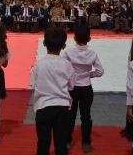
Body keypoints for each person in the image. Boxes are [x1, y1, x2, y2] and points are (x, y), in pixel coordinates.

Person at [32, 26, 75, 155]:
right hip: (62, 107)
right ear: (64, 46)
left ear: (44, 43)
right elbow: (71, 86)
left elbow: (31, 85)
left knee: (43, 144)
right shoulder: (67, 64)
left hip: (43, 106)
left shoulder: (39, 64)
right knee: (61, 145)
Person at [62, 25, 104, 153]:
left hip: (72, 87)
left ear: (74, 38)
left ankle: (68, 140)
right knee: (86, 116)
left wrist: (72, 75)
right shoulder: (92, 54)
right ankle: (86, 142)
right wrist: (88, 74)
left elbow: (62, 68)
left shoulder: (68, 53)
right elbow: (100, 71)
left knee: (70, 115)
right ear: (89, 39)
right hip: (86, 87)